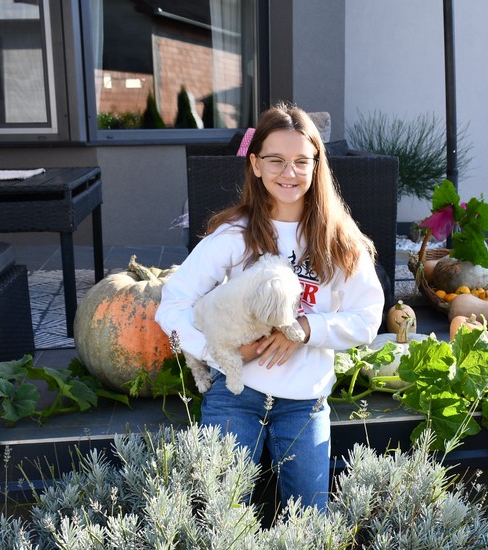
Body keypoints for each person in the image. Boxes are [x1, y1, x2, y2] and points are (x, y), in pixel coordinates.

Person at [155, 103, 384, 512]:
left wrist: (306, 331)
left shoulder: (339, 240)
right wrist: (218, 353)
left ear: (317, 166)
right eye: (276, 160)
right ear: (256, 165)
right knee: (217, 516)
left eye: (301, 161)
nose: (288, 172)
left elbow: (367, 318)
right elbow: (171, 305)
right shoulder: (234, 234)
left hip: (305, 403)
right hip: (235, 395)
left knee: (309, 524)